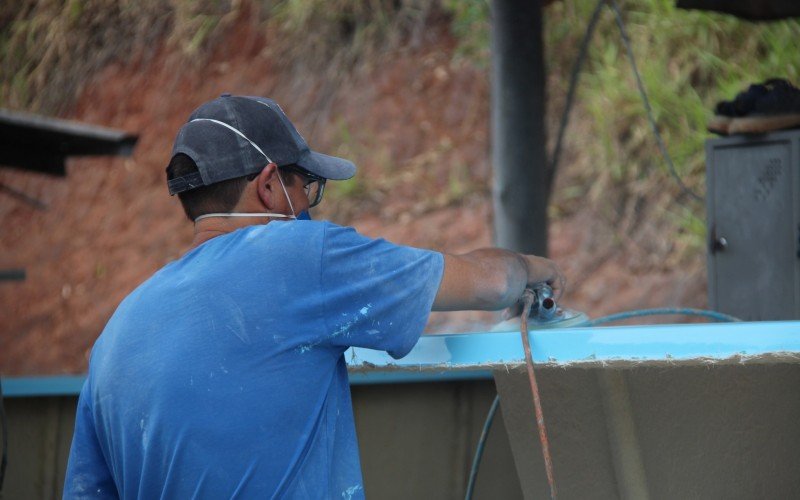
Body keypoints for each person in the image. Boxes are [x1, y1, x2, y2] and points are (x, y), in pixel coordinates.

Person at [63, 94, 564, 498]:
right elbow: (490, 284)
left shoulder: (116, 334)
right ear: (268, 187)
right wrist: (536, 268)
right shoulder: (300, 256)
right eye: (308, 187)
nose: (308, 204)